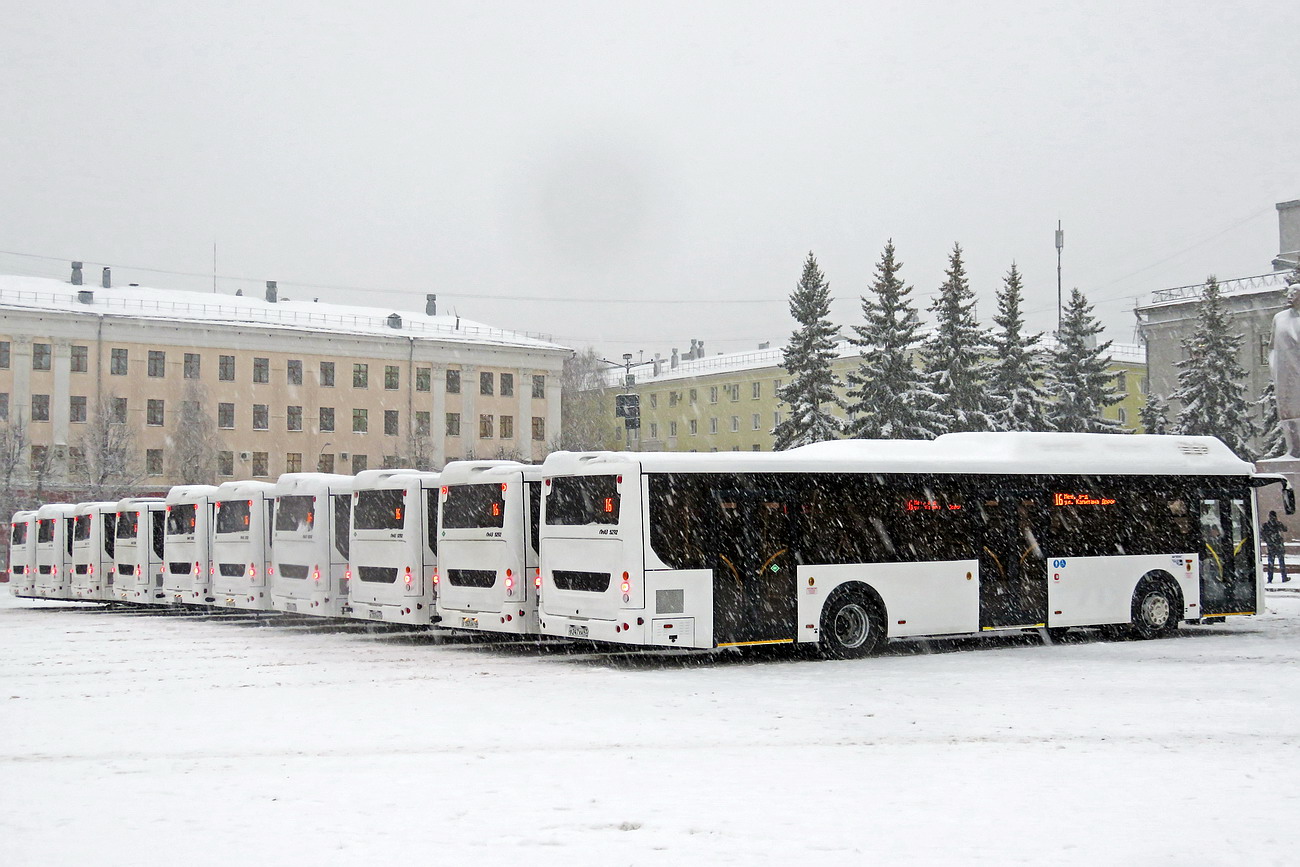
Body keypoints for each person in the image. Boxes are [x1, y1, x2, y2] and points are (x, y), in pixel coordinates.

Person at [1262, 510, 1290, 584]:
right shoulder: (1278, 524)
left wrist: (1268, 541)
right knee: (1281, 562)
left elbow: (1262, 535)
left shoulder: (1266, 525)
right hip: (1279, 546)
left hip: (1271, 547)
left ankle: (1270, 579)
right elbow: (1285, 529)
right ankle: (1284, 577)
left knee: (1270, 563)